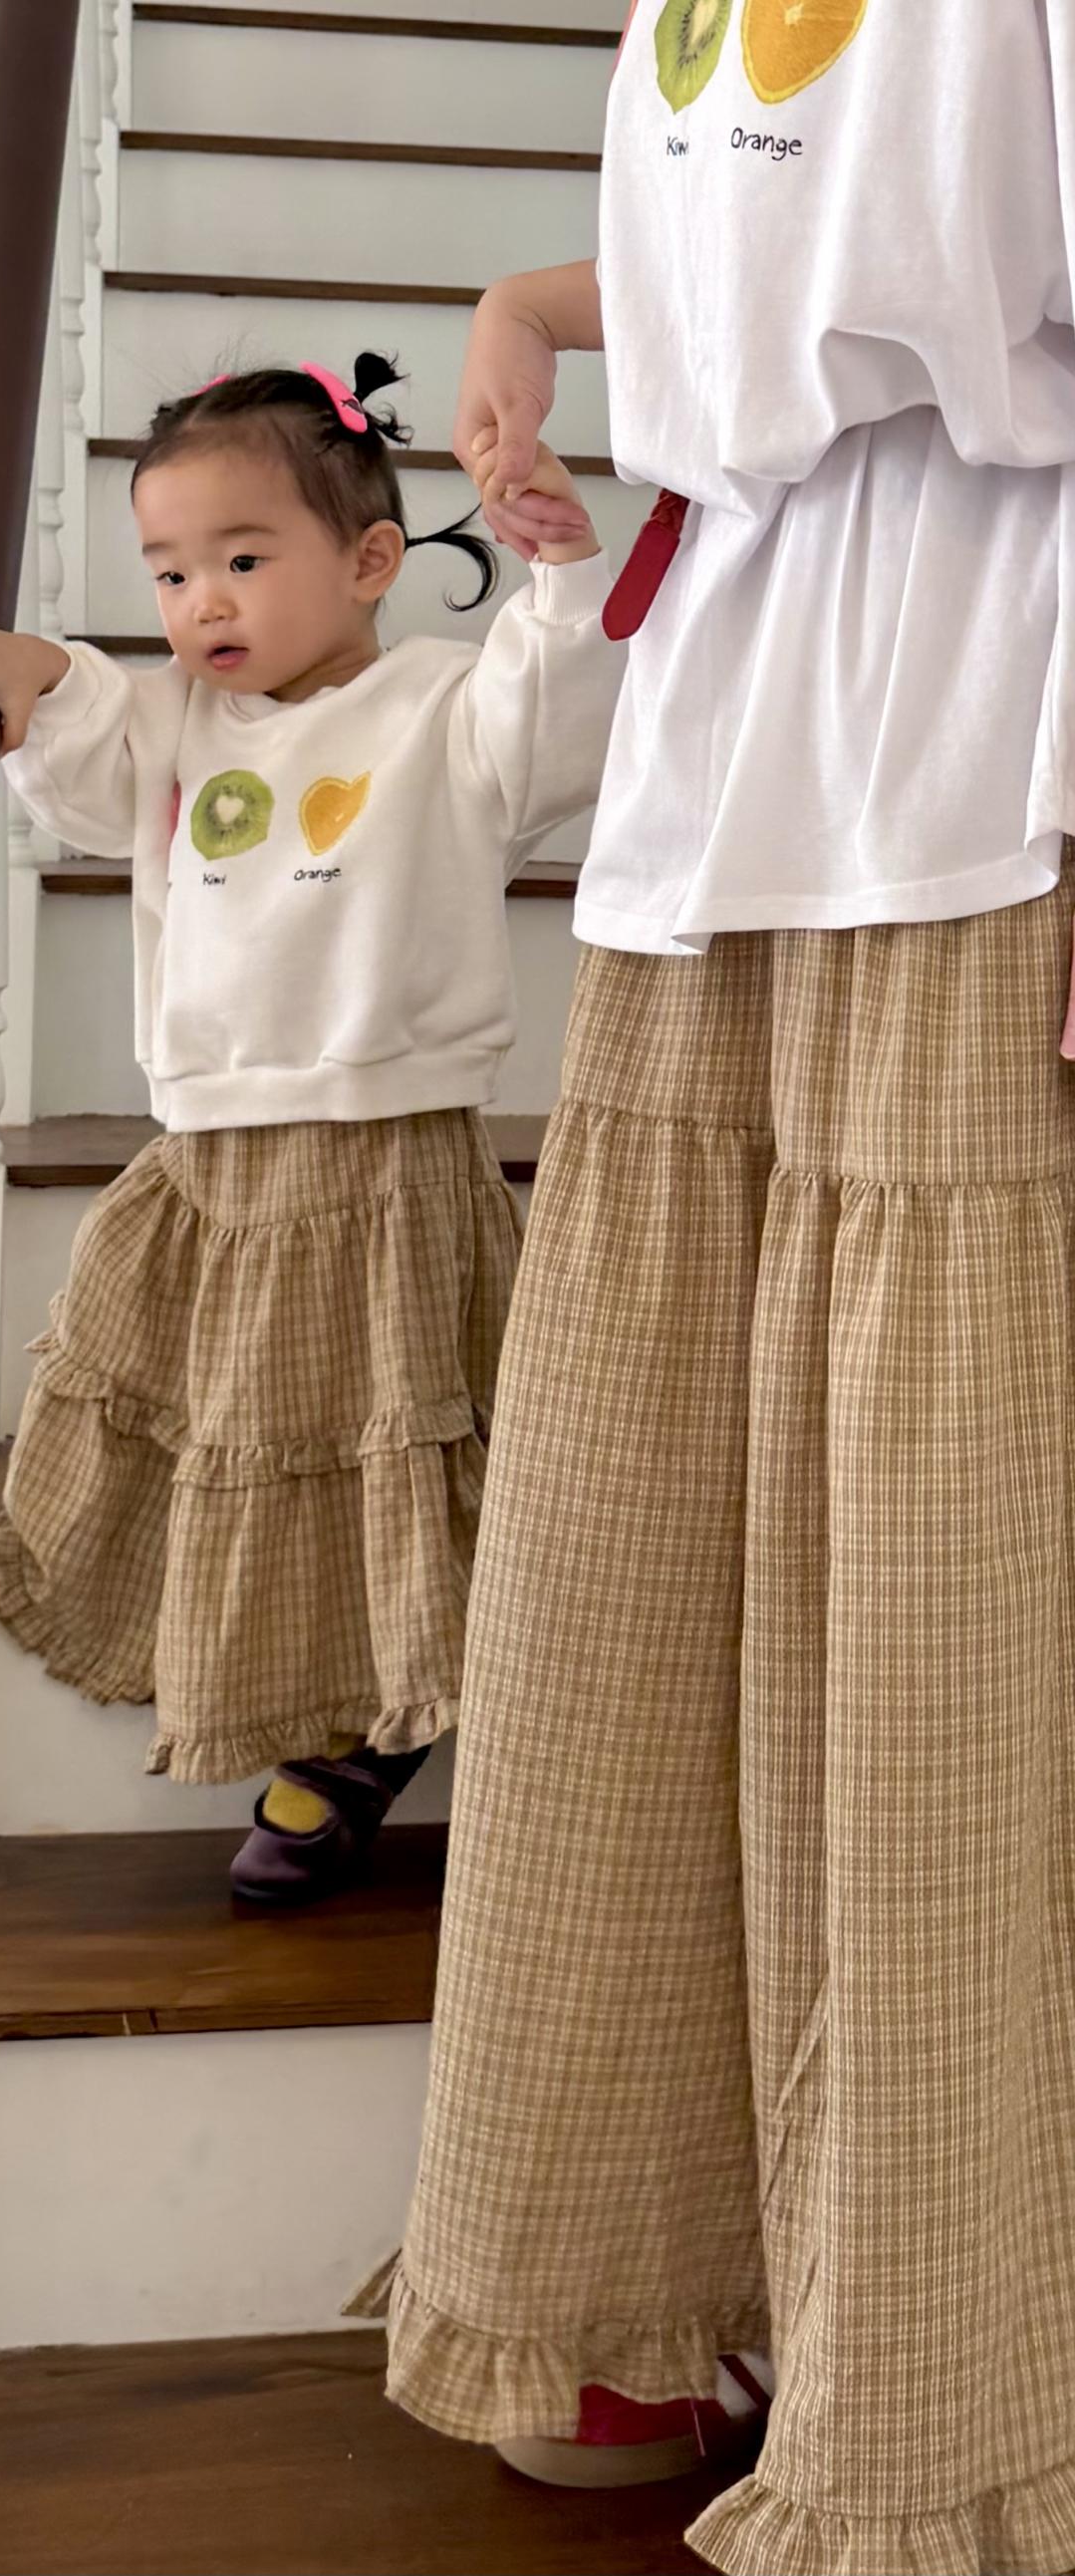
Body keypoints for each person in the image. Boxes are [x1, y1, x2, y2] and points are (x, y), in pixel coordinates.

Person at [384, 5, 1075, 2569]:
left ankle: (928, 2366)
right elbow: (787, 246)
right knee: (643, 1547)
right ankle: (644, 2253)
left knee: (933, 1621)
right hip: (744, 713)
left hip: (987, 714)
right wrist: (533, 307)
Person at [0, 357, 621, 1901]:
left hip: (384, 1155)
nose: (200, 601)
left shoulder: (437, 705)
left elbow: (554, 733)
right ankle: (305, 1679)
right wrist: (26, 666)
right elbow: (84, 755)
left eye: (241, 558)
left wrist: (558, 578)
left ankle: (371, 1728)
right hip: (213, 1158)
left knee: (384, 1448)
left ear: (368, 560)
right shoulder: (173, 718)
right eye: (168, 572)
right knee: (241, 1436)